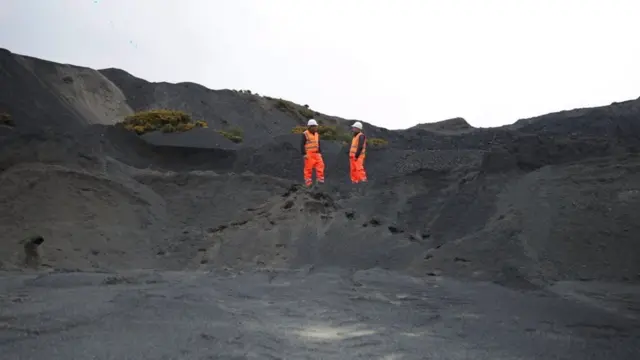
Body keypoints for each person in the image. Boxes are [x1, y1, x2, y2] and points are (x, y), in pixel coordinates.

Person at [301, 119, 325, 187]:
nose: (315, 127)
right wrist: (304, 154)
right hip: (309, 154)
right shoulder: (305, 134)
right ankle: (308, 183)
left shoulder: (317, 134)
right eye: (314, 126)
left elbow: (318, 144)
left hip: (317, 154)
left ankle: (320, 181)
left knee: (321, 165)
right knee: (308, 168)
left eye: (315, 126)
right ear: (310, 127)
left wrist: (320, 152)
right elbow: (302, 144)